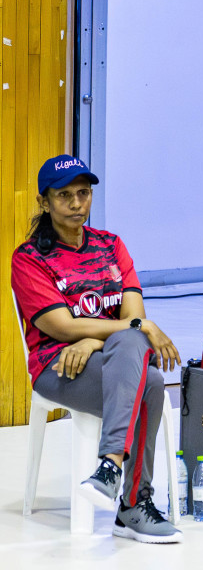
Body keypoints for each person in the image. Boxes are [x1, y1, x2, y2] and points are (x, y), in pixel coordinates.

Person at [10, 155, 182, 543]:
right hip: (58, 366)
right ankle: (135, 504)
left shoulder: (110, 245)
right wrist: (101, 333)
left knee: (141, 359)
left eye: (83, 193)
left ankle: (110, 466)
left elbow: (134, 314)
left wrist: (92, 339)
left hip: (105, 355)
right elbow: (61, 327)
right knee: (150, 379)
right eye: (64, 195)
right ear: (45, 202)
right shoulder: (30, 258)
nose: (76, 203)